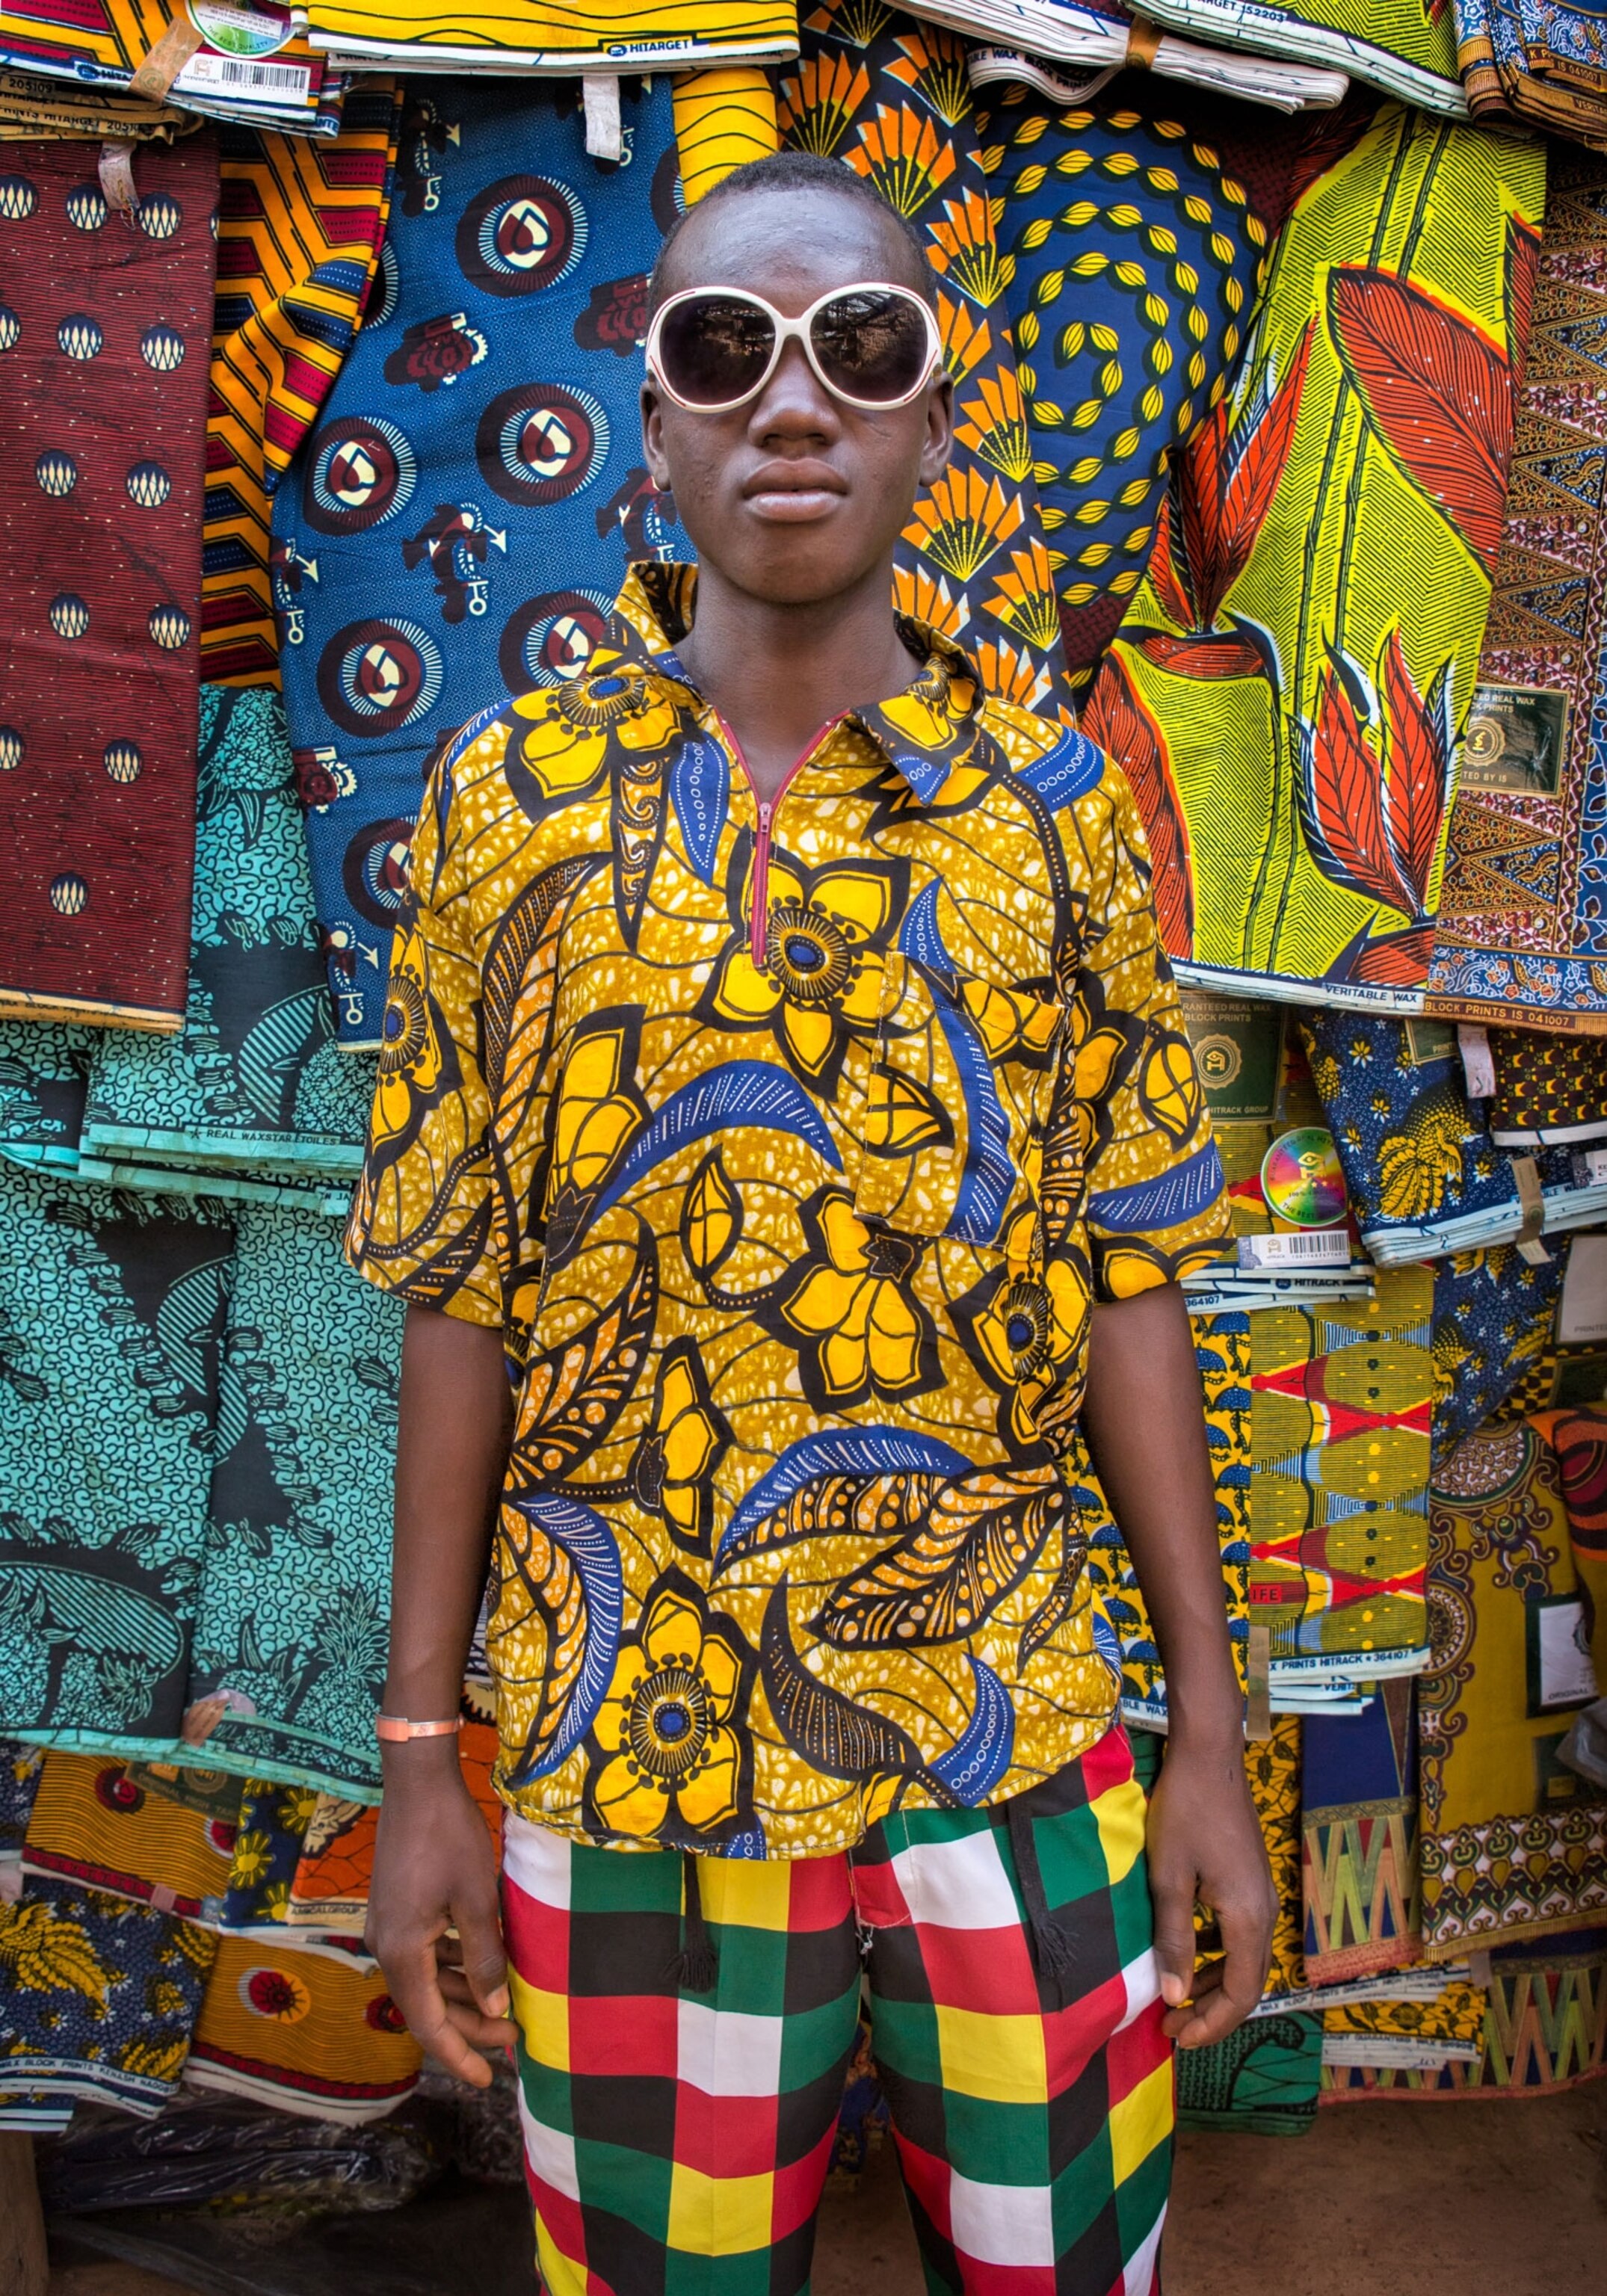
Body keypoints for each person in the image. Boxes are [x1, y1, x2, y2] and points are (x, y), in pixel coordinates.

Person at [347, 149, 1275, 2296]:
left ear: (937, 416)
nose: (794, 404)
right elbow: (453, 1295)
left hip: (1018, 1749)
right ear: (653, 425)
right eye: (723, 350)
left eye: (862, 348)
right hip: (625, 1758)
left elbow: (1134, 1279)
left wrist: (1205, 1736)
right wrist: (419, 1765)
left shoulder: (1051, 811)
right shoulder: (506, 804)